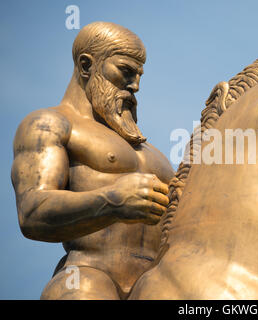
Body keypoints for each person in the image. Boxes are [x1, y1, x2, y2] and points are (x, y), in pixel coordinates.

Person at [11, 22, 174, 299]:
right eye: (126, 72)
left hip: (160, 286)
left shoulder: (154, 155)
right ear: (86, 66)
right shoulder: (50, 124)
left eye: (139, 75)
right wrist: (113, 200)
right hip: (86, 277)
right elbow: (32, 212)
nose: (135, 85)